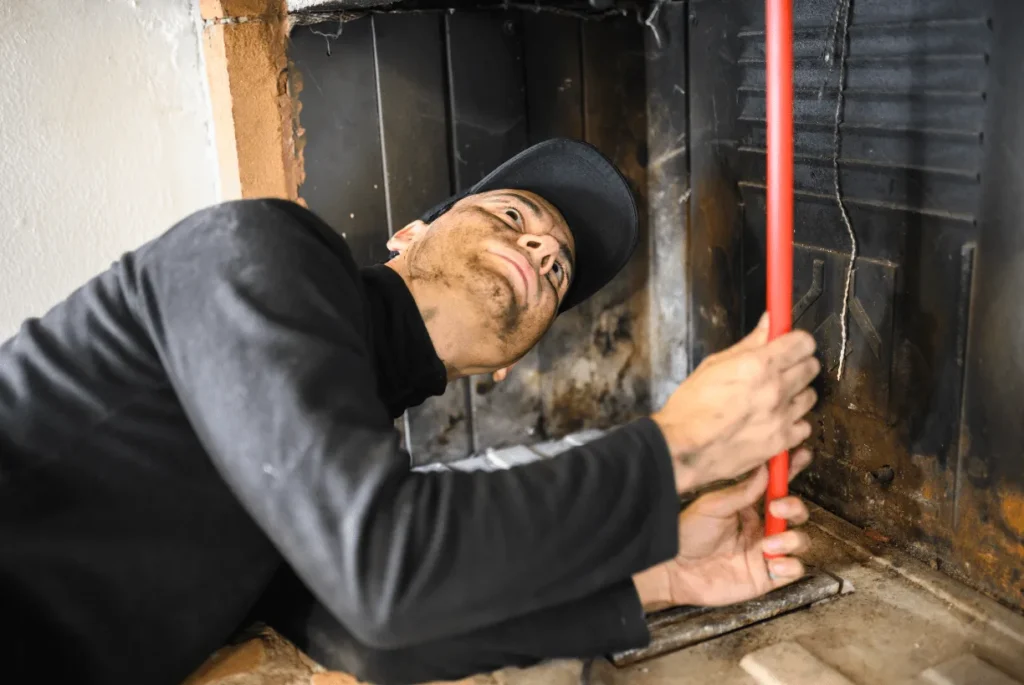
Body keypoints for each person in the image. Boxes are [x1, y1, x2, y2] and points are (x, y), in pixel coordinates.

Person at [0, 138, 819, 684]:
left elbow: (367, 631)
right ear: (408, 234)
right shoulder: (265, 252)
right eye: (512, 214)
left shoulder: (336, 442)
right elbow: (384, 570)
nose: (541, 245)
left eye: (558, 267)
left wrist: (665, 575)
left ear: (509, 362)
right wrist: (676, 448)